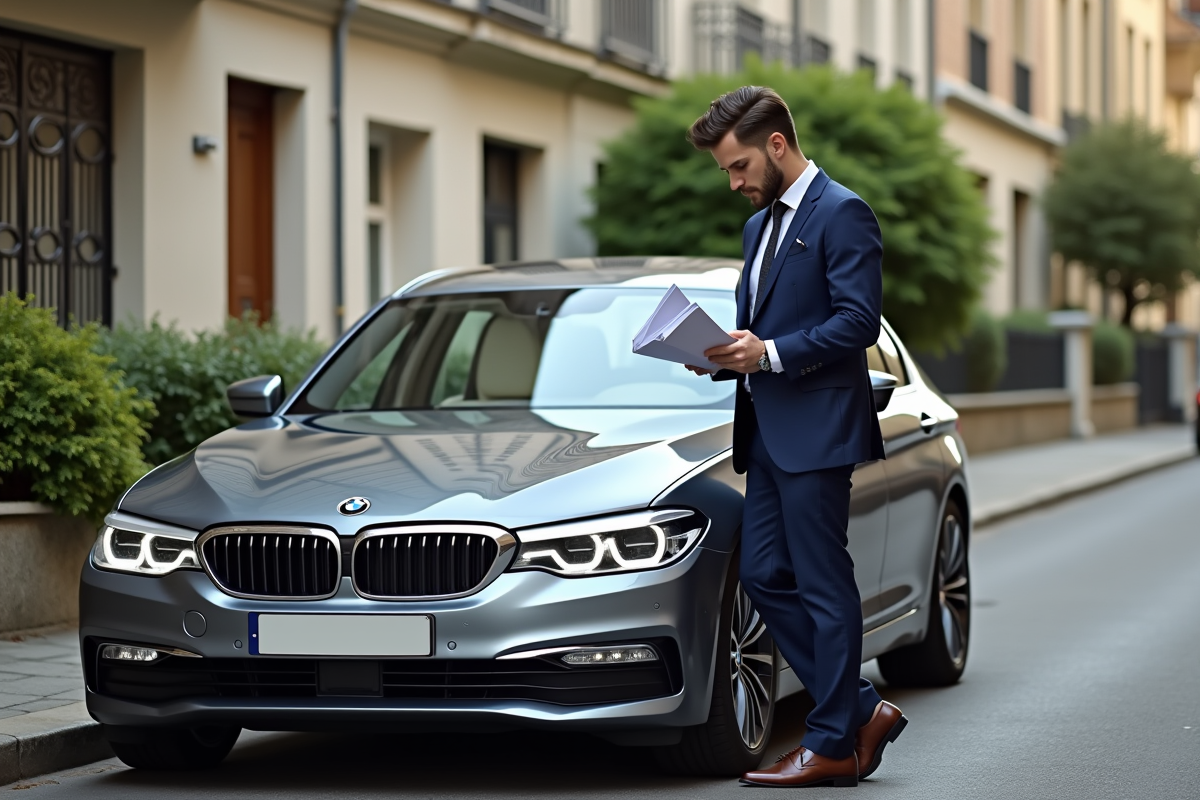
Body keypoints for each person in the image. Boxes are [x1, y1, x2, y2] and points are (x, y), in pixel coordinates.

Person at [684, 86, 907, 788]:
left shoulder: (843, 213)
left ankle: (835, 741)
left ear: (777, 145)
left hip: (818, 431)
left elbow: (856, 323)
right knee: (765, 577)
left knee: (819, 579)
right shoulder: (758, 230)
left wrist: (770, 354)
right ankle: (860, 711)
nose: (734, 181)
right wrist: (723, 353)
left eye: (740, 165)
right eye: (726, 170)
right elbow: (764, 327)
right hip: (768, 433)